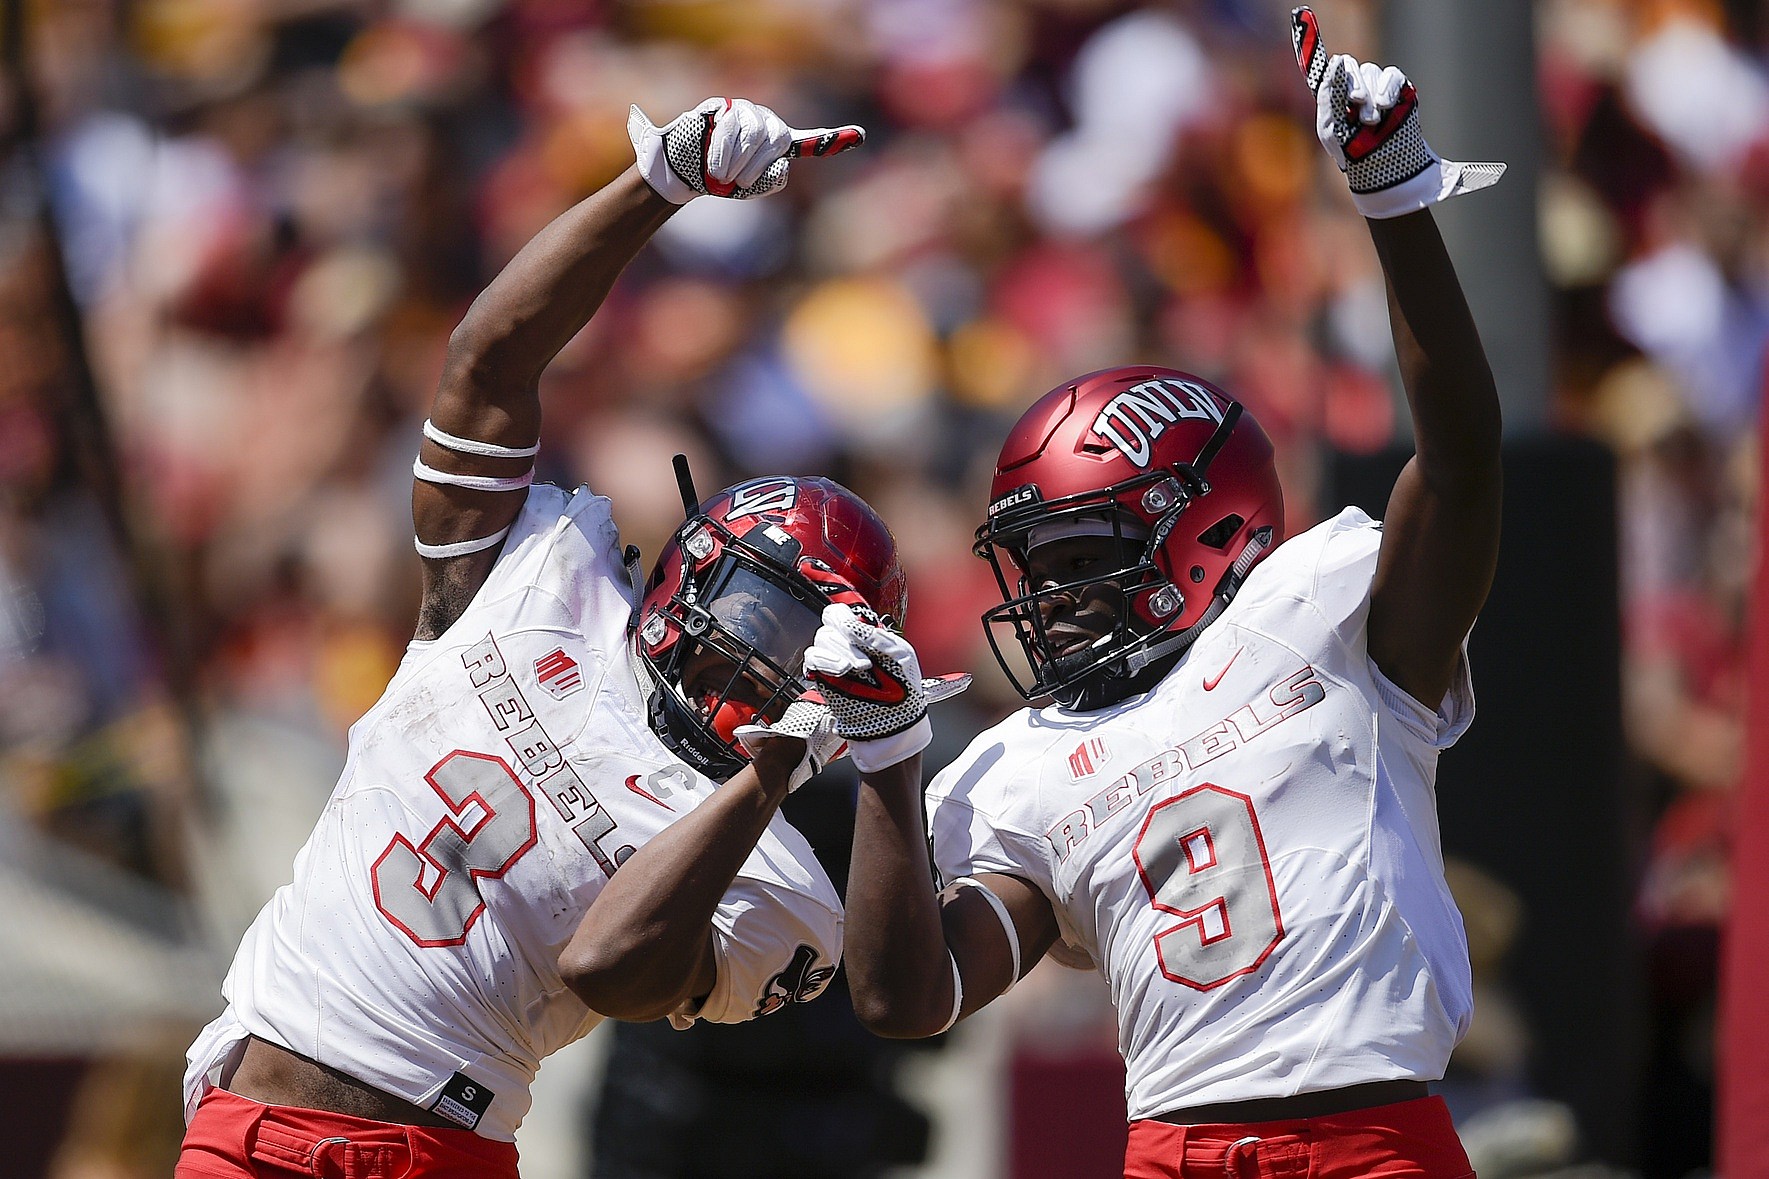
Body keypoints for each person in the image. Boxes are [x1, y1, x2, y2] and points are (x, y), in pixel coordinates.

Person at [813, 9, 1505, 1177]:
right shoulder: (1022, 763)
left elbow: (1460, 459)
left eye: (1080, 559)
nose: (1049, 599)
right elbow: (904, 998)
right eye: (1035, 570)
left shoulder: (1324, 619)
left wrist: (1393, 201)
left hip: (1367, 1140)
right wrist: (886, 762)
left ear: (1206, 528)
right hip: (1169, 1151)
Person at [175, 97, 890, 1177]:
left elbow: (613, 969)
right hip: (252, 1123)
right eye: (762, 611)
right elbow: (488, 359)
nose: (767, 657)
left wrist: (768, 773)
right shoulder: (532, 574)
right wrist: (657, 184)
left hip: (441, 1146)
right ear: (694, 567)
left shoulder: (770, 871)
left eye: (807, 640)